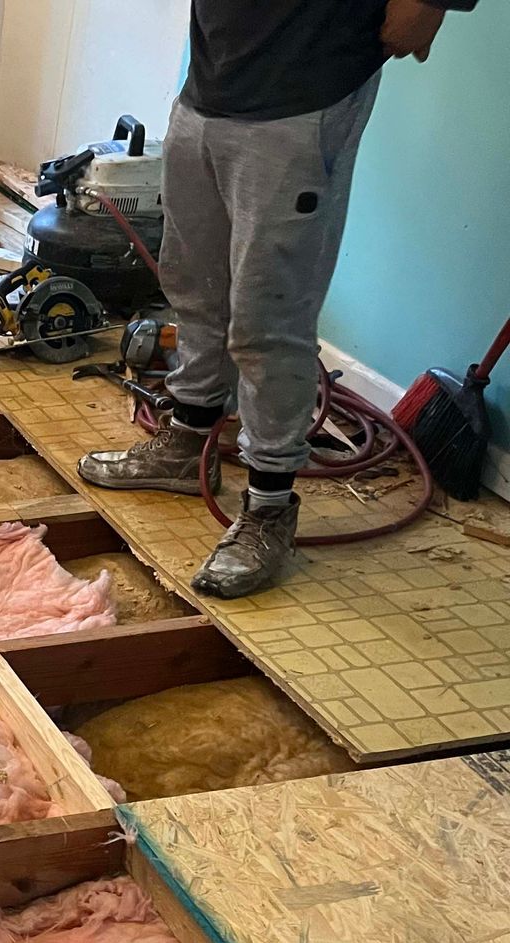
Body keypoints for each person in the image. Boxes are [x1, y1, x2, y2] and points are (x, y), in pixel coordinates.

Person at [77, 0, 473, 599]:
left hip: (305, 90)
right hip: (210, 81)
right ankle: (187, 445)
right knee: (194, 288)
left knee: (268, 317)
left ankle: (268, 508)